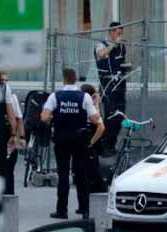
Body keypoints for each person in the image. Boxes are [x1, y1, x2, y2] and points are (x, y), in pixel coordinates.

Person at [41, 68, 105, 219]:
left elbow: (44, 117)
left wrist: (53, 117)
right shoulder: (84, 97)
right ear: (75, 79)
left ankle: (61, 210)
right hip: (80, 139)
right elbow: (95, 119)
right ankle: (84, 209)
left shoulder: (55, 96)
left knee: (63, 173)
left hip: (61, 138)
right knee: (81, 173)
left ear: (63, 80)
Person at [95, 21, 128, 156]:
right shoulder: (101, 44)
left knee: (119, 116)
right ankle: (104, 145)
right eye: (117, 33)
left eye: (121, 33)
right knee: (110, 116)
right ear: (111, 32)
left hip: (120, 85)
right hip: (107, 86)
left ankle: (111, 144)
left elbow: (121, 62)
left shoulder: (122, 47)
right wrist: (113, 45)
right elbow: (101, 54)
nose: (119, 36)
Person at [80, 84, 108, 194]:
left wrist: (91, 143)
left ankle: (102, 191)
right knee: (89, 171)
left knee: (93, 171)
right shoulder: (88, 106)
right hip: (89, 144)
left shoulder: (89, 107)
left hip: (91, 145)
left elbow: (99, 125)